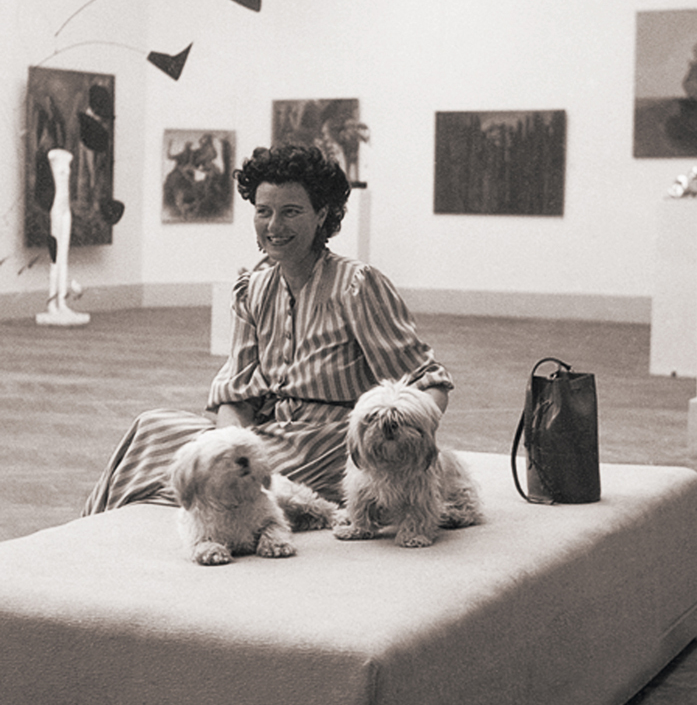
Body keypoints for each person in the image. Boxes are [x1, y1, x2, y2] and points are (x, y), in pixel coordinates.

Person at [82, 144, 454, 514]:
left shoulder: (355, 285)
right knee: (151, 429)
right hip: (264, 435)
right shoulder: (253, 289)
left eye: (291, 212)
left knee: (207, 480)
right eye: (264, 212)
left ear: (322, 214)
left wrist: (405, 453)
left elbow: (427, 381)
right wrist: (232, 444)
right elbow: (236, 394)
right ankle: (97, 531)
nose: (274, 227)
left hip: (330, 444)